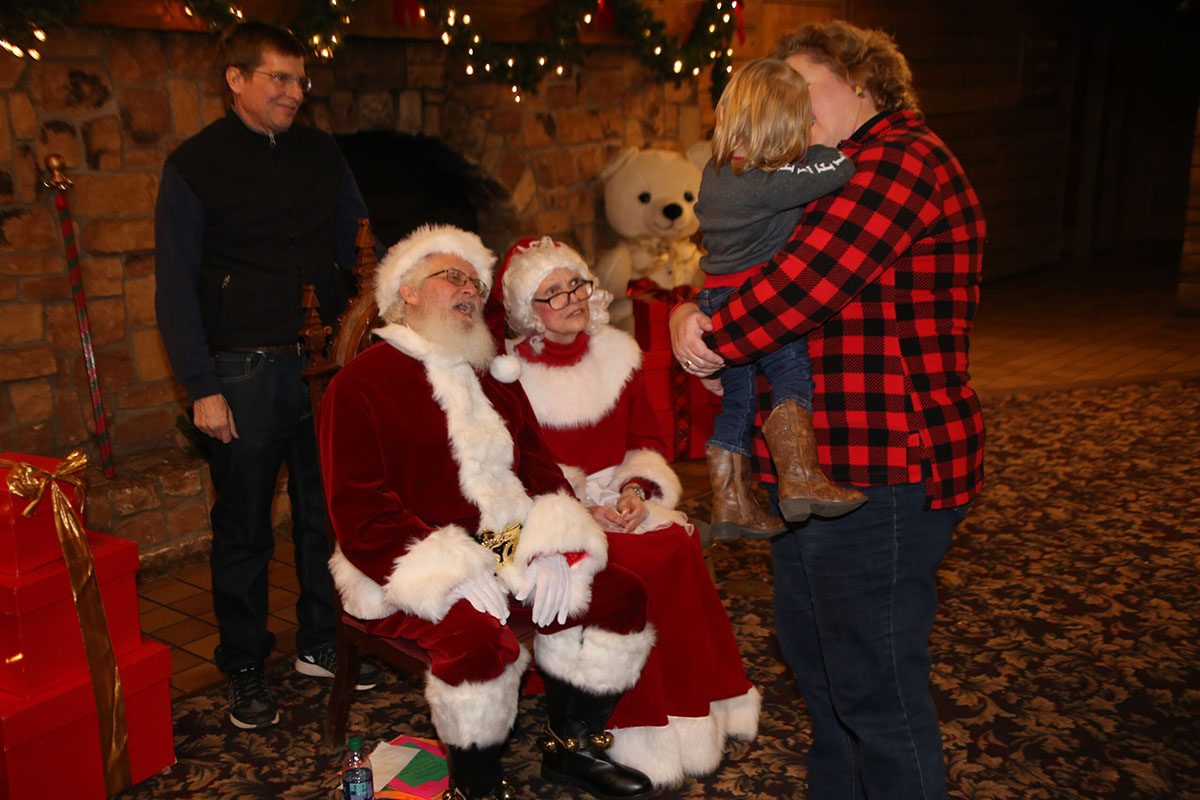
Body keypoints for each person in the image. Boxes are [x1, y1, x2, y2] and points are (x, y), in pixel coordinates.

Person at [670, 20, 986, 800]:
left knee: (873, 686)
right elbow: (744, 258)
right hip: (820, 457)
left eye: (803, 83)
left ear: (863, 81)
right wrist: (691, 314)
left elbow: (805, 283)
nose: (790, 102)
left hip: (884, 462)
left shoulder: (900, 159)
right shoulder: (828, 168)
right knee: (820, 668)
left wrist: (711, 336)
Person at [318, 224, 656, 800]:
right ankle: (474, 787)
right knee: (478, 643)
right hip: (404, 563)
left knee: (620, 593)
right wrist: (452, 569)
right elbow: (361, 514)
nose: (469, 288)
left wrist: (553, 541)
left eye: (475, 281)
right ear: (408, 294)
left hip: (504, 545)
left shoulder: (492, 376)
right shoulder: (358, 386)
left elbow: (540, 468)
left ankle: (568, 747)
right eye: (451, 276)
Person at [153, 21, 380, 730]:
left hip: (321, 369)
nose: (292, 93)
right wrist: (201, 386)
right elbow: (174, 287)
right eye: (278, 79)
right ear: (236, 79)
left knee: (324, 516)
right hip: (239, 373)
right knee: (244, 528)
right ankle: (246, 665)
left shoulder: (321, 152)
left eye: (299, 80)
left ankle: (321, 642)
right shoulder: (195, 164)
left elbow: (359, 238)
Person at [496, 236, 761, 787]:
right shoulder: (509, 376)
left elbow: (644, 439)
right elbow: (516, 469)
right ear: (528, 312)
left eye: (576, 284)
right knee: (639, 566)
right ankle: (630, 734)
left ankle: (698, 710)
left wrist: (636, 490)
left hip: (619, 495)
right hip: (554, 510)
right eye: (552, 293)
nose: (571, 299)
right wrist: (583, 511)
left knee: (676, 542)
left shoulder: (619, 353)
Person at [695, 57, 866, 541]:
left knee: (739, 402)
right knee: (792, 375)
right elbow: (841, 166)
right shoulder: (771, 184)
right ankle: (800, 477)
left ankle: (731, 502)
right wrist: (818, 142)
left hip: (715, 299)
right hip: (756, 300)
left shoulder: (718, 172)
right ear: (787, 123)